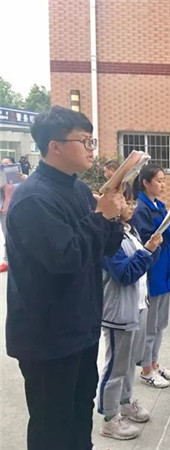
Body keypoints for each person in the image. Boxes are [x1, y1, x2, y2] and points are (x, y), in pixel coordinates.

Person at [5, 106, 124, 450]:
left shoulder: (79, 190)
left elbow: (102, 248)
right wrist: (101, 218)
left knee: (79, 412)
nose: (91, 149)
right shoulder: (34, 198)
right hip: (48, 337)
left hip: (81, 327)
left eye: (92, 141)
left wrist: (113, 216)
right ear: (54, 146)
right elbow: (65, 257)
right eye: (84, 141)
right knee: (52, 424)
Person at [98, 183, 162, 440]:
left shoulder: (129, 230)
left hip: (138, 305)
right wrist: (147, 251)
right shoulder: (108, 236)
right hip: (119, 311)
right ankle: (109, 416)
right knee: (116, 366)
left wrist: (152, 248)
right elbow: (123, 274)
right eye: (126, 201)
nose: (132, 207)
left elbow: (142, 265)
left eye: (133, 202)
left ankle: (125, 402)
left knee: (128, 363)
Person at [133, 165, 170, 389]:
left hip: (165, 270)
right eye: (159, 180)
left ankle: (154, 363)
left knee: (160, 323)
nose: (163, 184)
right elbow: (148, 241)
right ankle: (146, 369)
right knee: (150, 326)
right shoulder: (141, 208)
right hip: (153, 271)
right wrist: (166, 229)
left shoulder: (160, 206)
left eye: (164, 180)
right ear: (146, 182)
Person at [0, 156, 25, 273]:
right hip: (4, 211)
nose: (4, 166)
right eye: (2, 164)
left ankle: (19, 260)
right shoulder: (1, 179)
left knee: (18, 236)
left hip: (17, 210)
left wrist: (24, 177)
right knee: (7, 237)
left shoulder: (20, 179)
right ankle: (6, 262)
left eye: (7, 164)